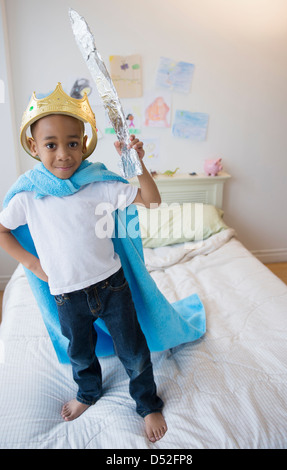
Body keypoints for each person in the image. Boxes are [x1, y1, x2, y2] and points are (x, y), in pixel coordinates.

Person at [0, 83, 167, 443]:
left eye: (72, 143)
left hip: (112, 286)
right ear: (33, 146)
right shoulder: (29, 193)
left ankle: (147, 402)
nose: (63, 154)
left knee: (133, 349)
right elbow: (2, 229)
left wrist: (139, 164)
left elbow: (151, 201)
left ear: (85, 142)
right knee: (80, 353)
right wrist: (31, 263)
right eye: (51, 144)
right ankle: (87, 393)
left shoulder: (98, 183)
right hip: (66, 294)